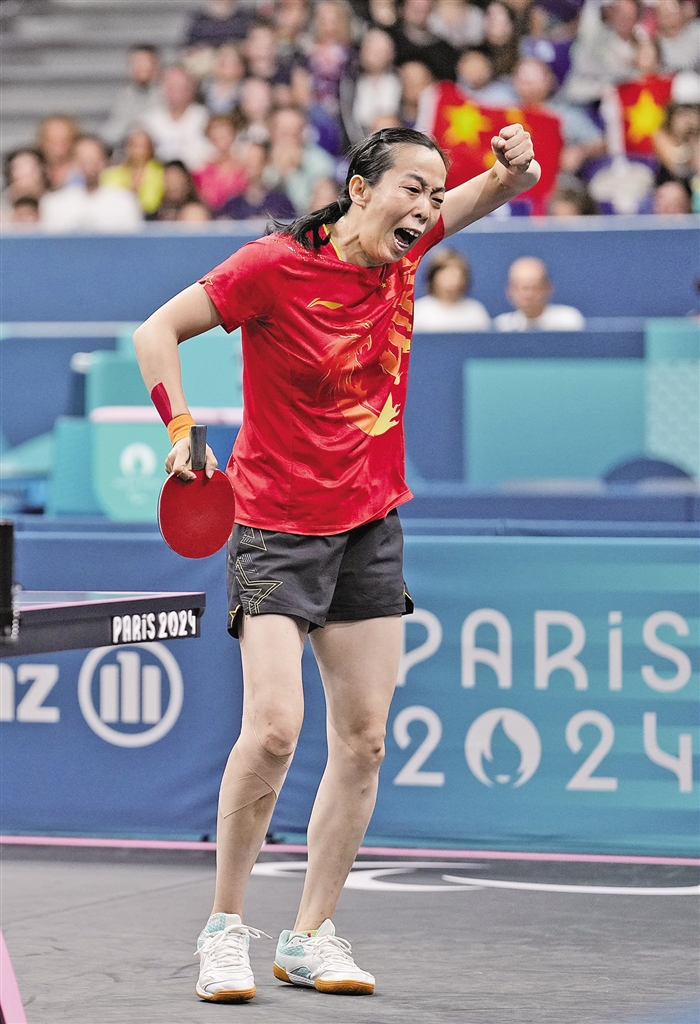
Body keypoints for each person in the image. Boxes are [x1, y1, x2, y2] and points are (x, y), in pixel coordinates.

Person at [133, 122, 538, 1003]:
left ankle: (309, 935)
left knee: (364, 739)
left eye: (435, 195)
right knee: (274, 728)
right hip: (274, 524)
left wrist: (516, 168)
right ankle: (224, 930)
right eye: (412, 188)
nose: (427, 208)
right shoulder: (271, 267)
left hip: (368, 523)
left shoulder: (406, 250)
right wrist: (181, 427)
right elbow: (156, 331)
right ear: (360, 189)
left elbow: (496, 189)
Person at [39, 135, 143, 232]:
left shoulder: (125, 202)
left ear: (104, 162)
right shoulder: (53, 203)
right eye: (83, 160)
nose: (89, 166)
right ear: (74, 162)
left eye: (94, 159)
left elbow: (133, 240)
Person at [140, 66, 212, 171]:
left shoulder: (204, 119)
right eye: (172, 88)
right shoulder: (149, 122)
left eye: (182, 88)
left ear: (192, 89)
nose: (177, 93)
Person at [494, 255, 584, 329]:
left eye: (534, 287)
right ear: (509, 290)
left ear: (548, 288)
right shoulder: (502, 326)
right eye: (521, 288)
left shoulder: (568, 321)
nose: (528, 295)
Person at [414, 247, 491, 329]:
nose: (452, 278)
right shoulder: (418, 311)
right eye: (447, 273)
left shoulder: (475, 311)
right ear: (433, 276)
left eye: (457, 273)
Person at [217, 140, 297, 219]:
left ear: (265, 161)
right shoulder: (233, 205)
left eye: (255, 158)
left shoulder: (280, 202)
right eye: (247, 159)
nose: (250, 163)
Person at [102, 44, 161, 148]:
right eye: (135, 62)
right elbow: (113, 131)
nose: (139, 67)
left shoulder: (166, 94)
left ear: (156, 66)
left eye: (144, 62)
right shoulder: (123, 96)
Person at [101, 127, 165, 216]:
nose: (139, 151)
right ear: (128, 148)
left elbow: (151, 203)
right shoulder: (113, 174)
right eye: (135, 146)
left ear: (151, 149)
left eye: (143, 147)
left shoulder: (160, 172)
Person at [192, 115, 247, 212]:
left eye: (225, 136)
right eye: (216, 137)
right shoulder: (202, 171)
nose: (221, 140)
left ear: (233, 135)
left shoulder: (245, 167)